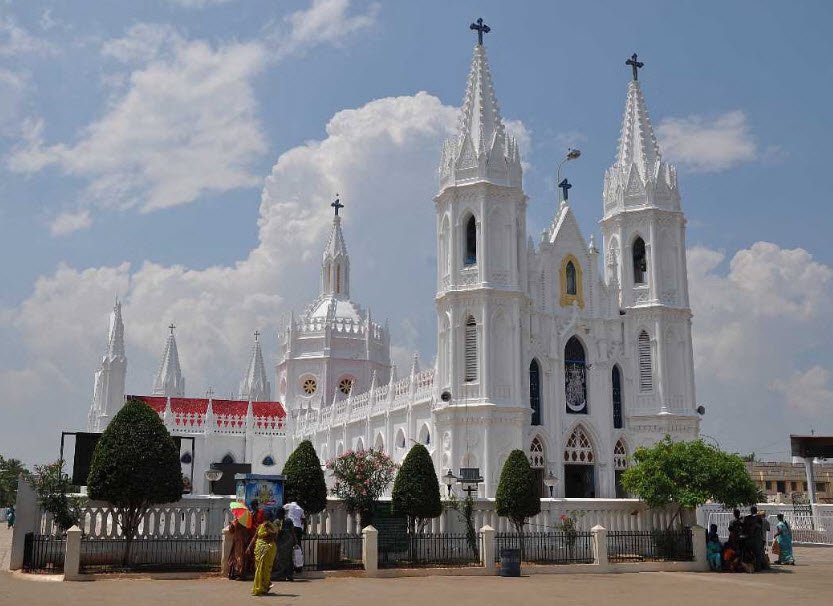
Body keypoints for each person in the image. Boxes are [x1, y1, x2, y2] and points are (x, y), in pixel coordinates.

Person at [248, 509, 278, 596]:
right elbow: (255, 537)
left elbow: (274, 537)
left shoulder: (273, 526)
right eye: (265, 517)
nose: (266, 518)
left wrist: (268, 528)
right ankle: (261, 587)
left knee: (265, 569)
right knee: (258, 568)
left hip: (268, 549)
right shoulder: (260, 526)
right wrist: (249, 547)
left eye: (267, 517)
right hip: (259, 549)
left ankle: (263, 588)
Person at [273, 507, 296, 581]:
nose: (277, 514)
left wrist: (295, 540)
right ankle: (282, 575)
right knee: (281, 559)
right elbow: (275, 533)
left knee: (288, 559)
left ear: (282, 513)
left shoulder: (288, 520)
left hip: (287, 542)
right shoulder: (276, 521)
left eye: (278, 513)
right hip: (281, 542)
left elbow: (292, 531)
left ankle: (289, 575)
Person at [743, 506, 764, 571]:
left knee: (746, 552)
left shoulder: (747, 518)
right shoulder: (759, 518)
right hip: (757, 538)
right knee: (758, 554)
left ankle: (747, 566)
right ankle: (758, 567)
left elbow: (744, 527)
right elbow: (760, 528)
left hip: (748, 538)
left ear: (751, 511)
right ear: (756, 511)